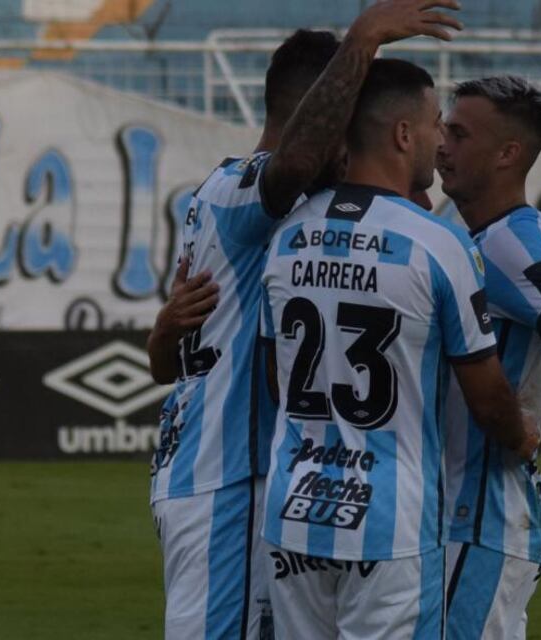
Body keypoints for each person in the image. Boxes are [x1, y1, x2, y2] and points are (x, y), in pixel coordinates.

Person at [145, 3, 464, 638]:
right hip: (228, 479)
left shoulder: (227, 198)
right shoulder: (254, 189)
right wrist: (365, 37)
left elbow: (169, 360)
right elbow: (294, 164)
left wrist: (161, 332)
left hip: (221, 474)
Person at [260, 58, 539, 640]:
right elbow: (487, 398)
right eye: (436, 123)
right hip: (390, 522)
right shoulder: (439, 245)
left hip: (294, 512)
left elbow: (275, 379)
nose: (441, 139)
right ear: (402, 134)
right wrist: (523, 434)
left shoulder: (286, 236)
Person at [437, 75, 541, 639]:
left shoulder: (513, 241)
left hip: (480, 512)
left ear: (508, 153)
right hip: (462, 512)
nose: (442, 145)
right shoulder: (476, 234)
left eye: (459, 134)